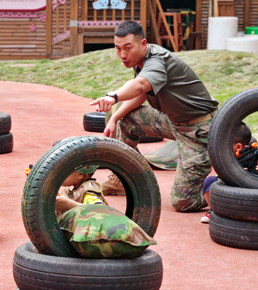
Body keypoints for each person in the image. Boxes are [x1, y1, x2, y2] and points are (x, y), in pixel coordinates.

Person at [90, 21, 219, 213]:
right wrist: (115, 117)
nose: (122, 55)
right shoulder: (141, 59)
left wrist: (113, 96)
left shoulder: (157, 60)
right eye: (118, 49)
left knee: (183, 201)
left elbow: (140, 86)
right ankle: (121, 180)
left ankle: (223, 194)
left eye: (128, 48)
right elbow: (144, 93)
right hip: (173, 121)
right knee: (126, 118)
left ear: (143, 44)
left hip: (199, 131)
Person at [200, 123, 258, 223]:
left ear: (239, 147)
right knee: (210, 181)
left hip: (249, 198)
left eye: (226, 144)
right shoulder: (226, 161)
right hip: (229, 195)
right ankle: (213, 210)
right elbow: (219, 182)